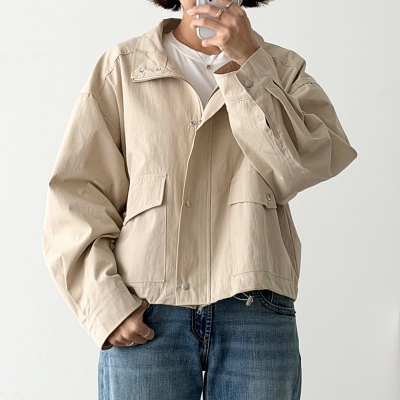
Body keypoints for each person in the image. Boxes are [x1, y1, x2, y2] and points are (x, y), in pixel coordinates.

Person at [42, 0, 358, 398]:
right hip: (146, 309)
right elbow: (78, 195)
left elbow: (302, 166)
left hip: (256, 308)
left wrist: (249, 63)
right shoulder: (122, 68)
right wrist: (107, 305)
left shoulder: (282, 69)